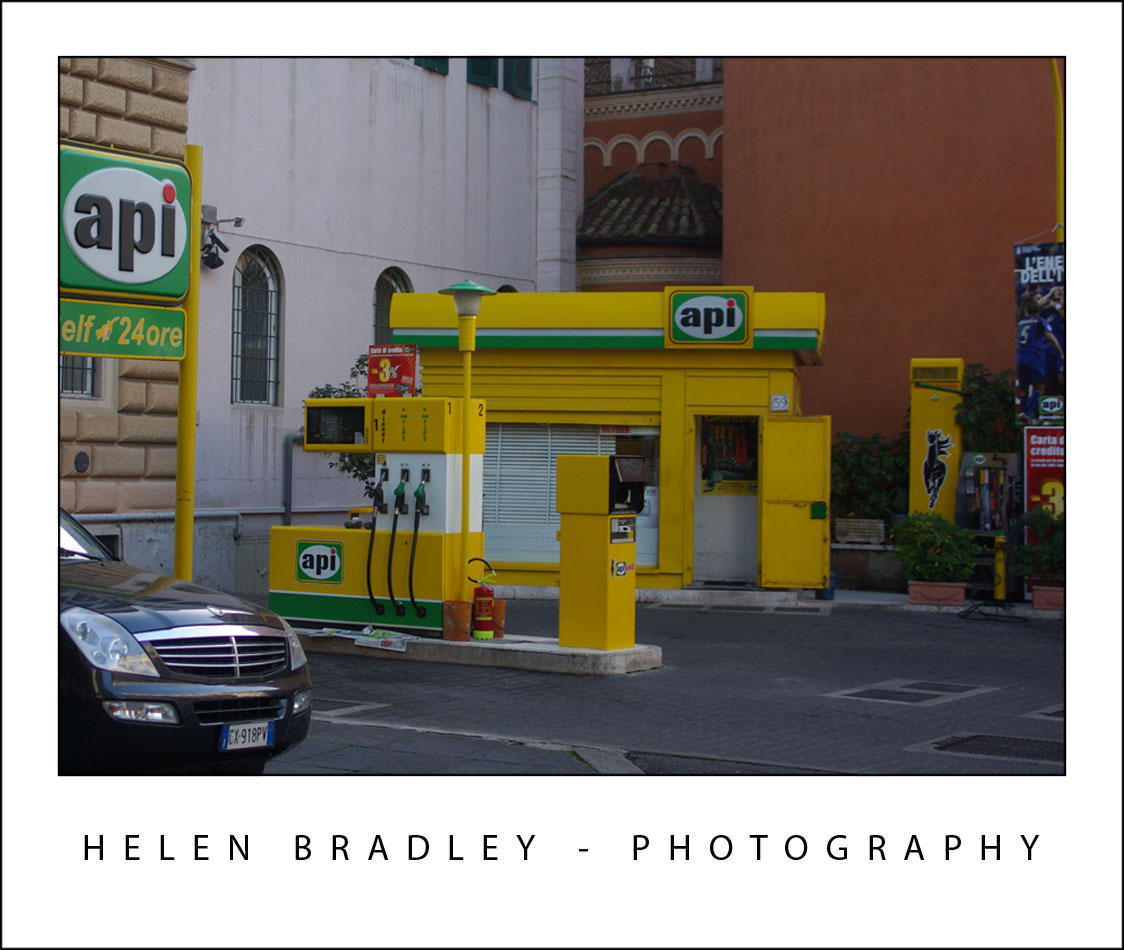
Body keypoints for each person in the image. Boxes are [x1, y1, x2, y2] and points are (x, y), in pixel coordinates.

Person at [1015, 293, 1064, 424]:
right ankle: (1027, 414)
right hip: (1033, 356)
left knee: (1024, 388)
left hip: (1019, 356)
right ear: (1038, 311)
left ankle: (1024, 415)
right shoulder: (1039, 321)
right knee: (1039, 387)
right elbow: (1051, 337)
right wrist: (1061, 353)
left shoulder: (1021, 322)